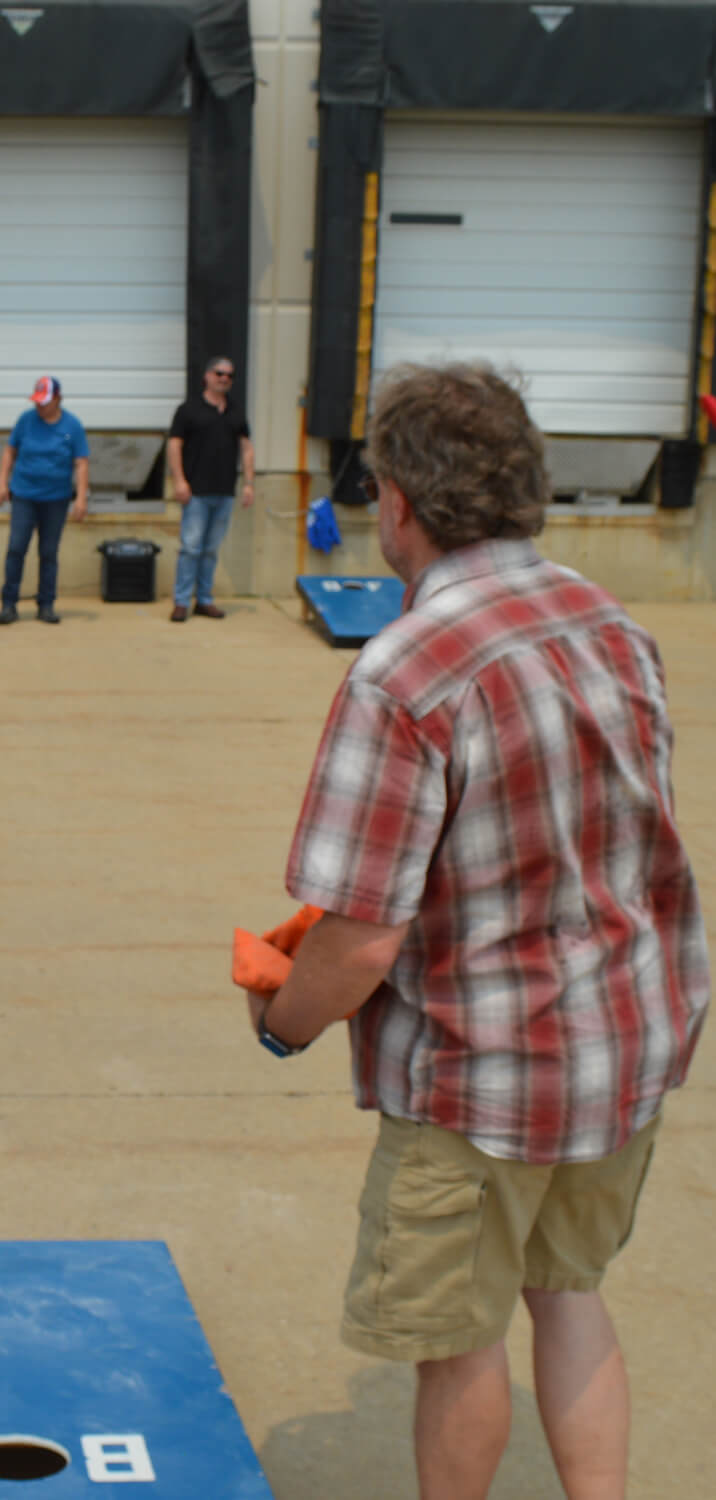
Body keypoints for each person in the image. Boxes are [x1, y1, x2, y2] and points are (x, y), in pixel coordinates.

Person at [247, 363, 708, 1500]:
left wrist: (283, 1020)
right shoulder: (611, 623)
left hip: (483, 1078)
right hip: (621, 1052)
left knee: (457, 1343)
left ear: (400, 501)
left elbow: (358, 943)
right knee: (570, 1296)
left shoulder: (407, 671)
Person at [0, 375, 90, 624]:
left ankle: (46, 604)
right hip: (25, 495)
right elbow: (10, 450)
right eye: (37, 401)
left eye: (44, 402)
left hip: (56, 499)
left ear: (57, 399)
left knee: (48, 552)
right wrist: (2, 481)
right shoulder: (26, 421)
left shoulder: (71, 427)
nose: (39, 406)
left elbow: (80, 462)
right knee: (16, 548)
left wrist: (81, 497)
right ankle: (8, 603)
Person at [166, 356, 254, 621]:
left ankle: (204, 600)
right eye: (219, 373)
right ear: (206, 377)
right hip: (196, 493)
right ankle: (181, 602)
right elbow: (174, 446)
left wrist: (248, 483)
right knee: (191, 548)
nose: (224, 378)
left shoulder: (236, 411)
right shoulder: (188, 410)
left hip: (224, 492)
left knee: (210, 550)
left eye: (229, 375)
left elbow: (246, 448)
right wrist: (179, 480)